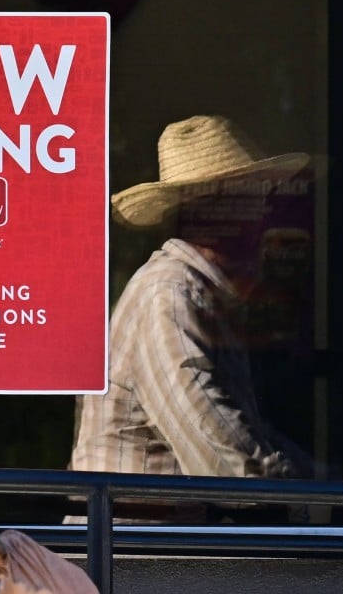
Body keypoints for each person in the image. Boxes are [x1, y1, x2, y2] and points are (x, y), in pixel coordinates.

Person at [68, 115, 314, 521]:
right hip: (136, 562)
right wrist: (309, 491)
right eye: (255, 195)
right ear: (214, 207)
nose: (268, 211)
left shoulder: (197, 294)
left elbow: (237, 430)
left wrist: (314, 476)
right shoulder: (170, 295)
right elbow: (224, 455)